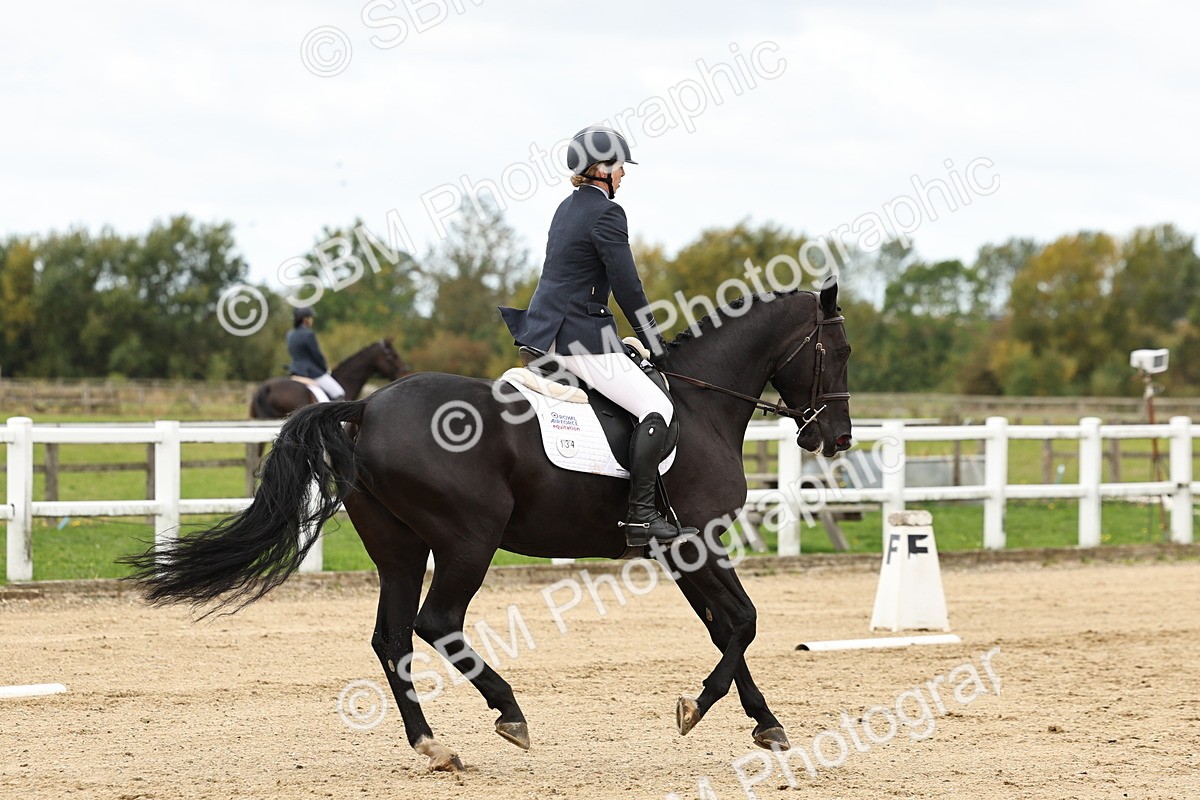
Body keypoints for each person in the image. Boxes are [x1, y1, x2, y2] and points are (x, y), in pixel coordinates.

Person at [499, 125, 697, 547]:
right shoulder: (608, 213)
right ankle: (642, 517)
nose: (624, 174)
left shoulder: (566, 208)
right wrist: (654, 341)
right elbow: (628, 287)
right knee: (655, 407)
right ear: (602, 168)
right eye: (621, 166)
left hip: (543, 332)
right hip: (575, 338)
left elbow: (575, 282)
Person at [286, 306, 346, 401]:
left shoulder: (290, 334)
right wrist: (325, 368)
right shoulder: (309, 334)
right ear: (305, 319)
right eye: (311, 318)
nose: (312, 320)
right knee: (339, 392)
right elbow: (317, 355)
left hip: (295, 371)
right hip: (311, 373)